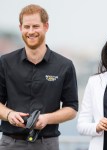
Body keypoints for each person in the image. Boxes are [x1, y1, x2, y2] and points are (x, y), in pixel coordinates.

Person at [0, 4, 78, 150]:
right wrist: (9, 114)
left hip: (47, 143)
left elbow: (72, 108)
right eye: (26, 26)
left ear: (46, 26)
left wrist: (47, 119)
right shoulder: (5, 62)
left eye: (36, 26)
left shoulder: (64, 65)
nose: (31, 31)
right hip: (10, 143)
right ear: (20, 28)